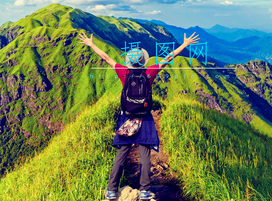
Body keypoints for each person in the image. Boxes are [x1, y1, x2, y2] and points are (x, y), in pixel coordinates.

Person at [78, 31, 200, 200]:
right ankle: (144, 191)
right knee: (145, 155)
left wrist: (91, 44)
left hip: (127, 117)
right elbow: (168, 58)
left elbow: (106, 57)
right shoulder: (149, 73)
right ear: (143, 61)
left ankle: (111, 190)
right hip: (145, 118)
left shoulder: (124, 72)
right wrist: (185, 45)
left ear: (129, 61)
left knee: (122, 153)